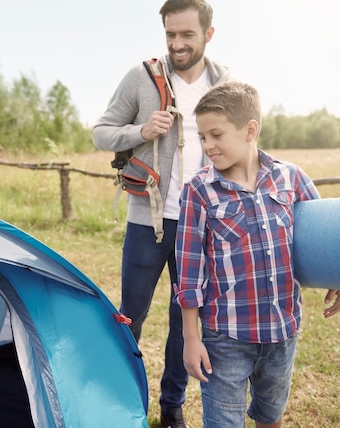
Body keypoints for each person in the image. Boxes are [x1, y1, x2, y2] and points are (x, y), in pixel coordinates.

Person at [175, 81, 340, 428]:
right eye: (202, 137)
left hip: (283, 331)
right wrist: (191, 338)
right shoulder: (199, 191)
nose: (207, 145)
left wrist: (338, 277)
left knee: (271, 417)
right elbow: (189, 272)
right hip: (226, 337)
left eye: (216, 135)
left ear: (250, 129)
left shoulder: (291, 178)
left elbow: (323, 238)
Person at [93, 1, 231, 426]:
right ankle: (119, 400)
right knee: (130, 315)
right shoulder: (142, 77)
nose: (176, 44)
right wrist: (141, 130)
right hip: (147, 223)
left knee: (184, 321)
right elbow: (101, 132)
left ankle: (173, 407)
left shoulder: (226, 86)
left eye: (186, 35)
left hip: (201, 227)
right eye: (170, 34)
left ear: (208, 34)